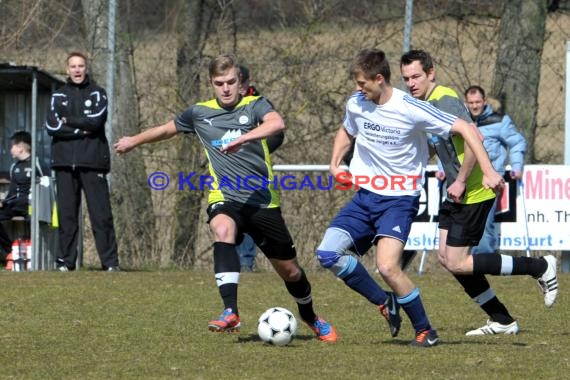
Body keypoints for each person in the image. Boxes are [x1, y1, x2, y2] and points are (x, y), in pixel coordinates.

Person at [114, 54, 337, 342]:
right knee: (222, 229)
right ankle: (230, 310)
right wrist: (134, 140)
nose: (226, 88)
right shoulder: (199, 113)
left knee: (291, 272)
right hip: (225, 196)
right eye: (219, 83)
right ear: (212, 84)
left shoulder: (255, 105)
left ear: (241, 83)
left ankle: (310, 317)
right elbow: (166, 129)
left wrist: (244, 138)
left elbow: (276, 123)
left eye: (231, 82)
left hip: (261, 201)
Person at [316, 48, 504, 347]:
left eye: (362, 83)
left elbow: (466, 128)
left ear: (379, 79)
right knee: (327, 254)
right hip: (365, 197)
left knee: (388, 267)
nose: (357, 89)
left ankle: (425, 330)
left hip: (398, 200)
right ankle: (385, 302)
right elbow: (347, 130)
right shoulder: (357, 102)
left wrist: (489, 169)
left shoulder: (410, 107)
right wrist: (335, 163)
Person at [399, 49, 558, 336]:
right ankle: (502, 320)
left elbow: (475, 138)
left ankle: (539, 265)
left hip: (472, 190)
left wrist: (460, 179)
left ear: (431, 74)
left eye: (416, 77)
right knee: (448, 260)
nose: (411, 83)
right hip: (457, 191)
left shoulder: (444, 99)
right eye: (406, 78)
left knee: (459, 261)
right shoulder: (424, 103)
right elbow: (442, 142)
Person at [45, 51, 120, 272]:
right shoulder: (58, 96)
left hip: (93, 162)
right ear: (67, 70)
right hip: (64, 163)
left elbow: (96, 122)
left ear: (86, 68)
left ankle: (110, 263)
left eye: (81, 66)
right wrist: (82, 128)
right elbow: (52, 127)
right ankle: (65, 263)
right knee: (67, 217)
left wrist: (69, 122)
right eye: (73, 66)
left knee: (101, 216)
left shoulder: (98, 94)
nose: (77, 70)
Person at [464, 85, 527, 255]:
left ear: (484, 101)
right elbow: (451, 147)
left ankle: (483, 260)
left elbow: (517, 142)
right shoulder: (461, 122)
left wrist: (516, 166)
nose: (475, 106)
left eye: (478, 102)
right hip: (465, 180)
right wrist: (441, 168)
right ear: (466, 103)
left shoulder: (499, 121)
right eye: (471, 102)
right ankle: (463, 261)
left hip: (489, 180)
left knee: (484, 222)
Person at [0, 132, 33, 265]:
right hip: (14, 205)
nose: (10, 150)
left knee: (35, 220)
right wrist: (3, 202)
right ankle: (10, 252)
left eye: (12, 146)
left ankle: (31, 258)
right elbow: (12, 192)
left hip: (30, 205)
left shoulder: (36, 164)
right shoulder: (15, 167)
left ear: (20, 147)